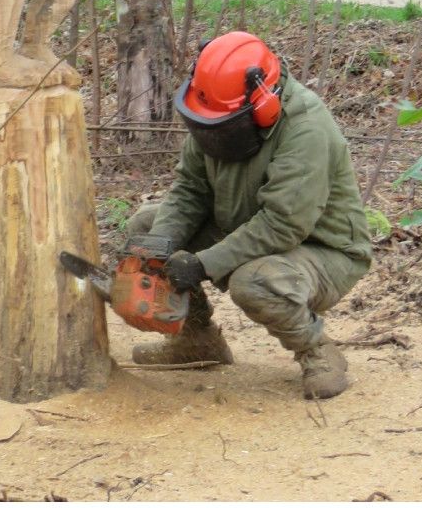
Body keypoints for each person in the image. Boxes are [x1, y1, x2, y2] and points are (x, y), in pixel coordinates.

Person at [125, 31, 372, 399]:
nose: (212, 129)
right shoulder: (213, 111)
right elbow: (190, 189)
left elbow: (283, 224)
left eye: (222, 121)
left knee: (253, 281)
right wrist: (156, 251)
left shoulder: (305, 129)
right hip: (247, 223)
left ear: (263, 104)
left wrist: (203, 264)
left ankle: (316, 350)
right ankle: (196, 339)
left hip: (323, 249)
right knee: (148, 227)